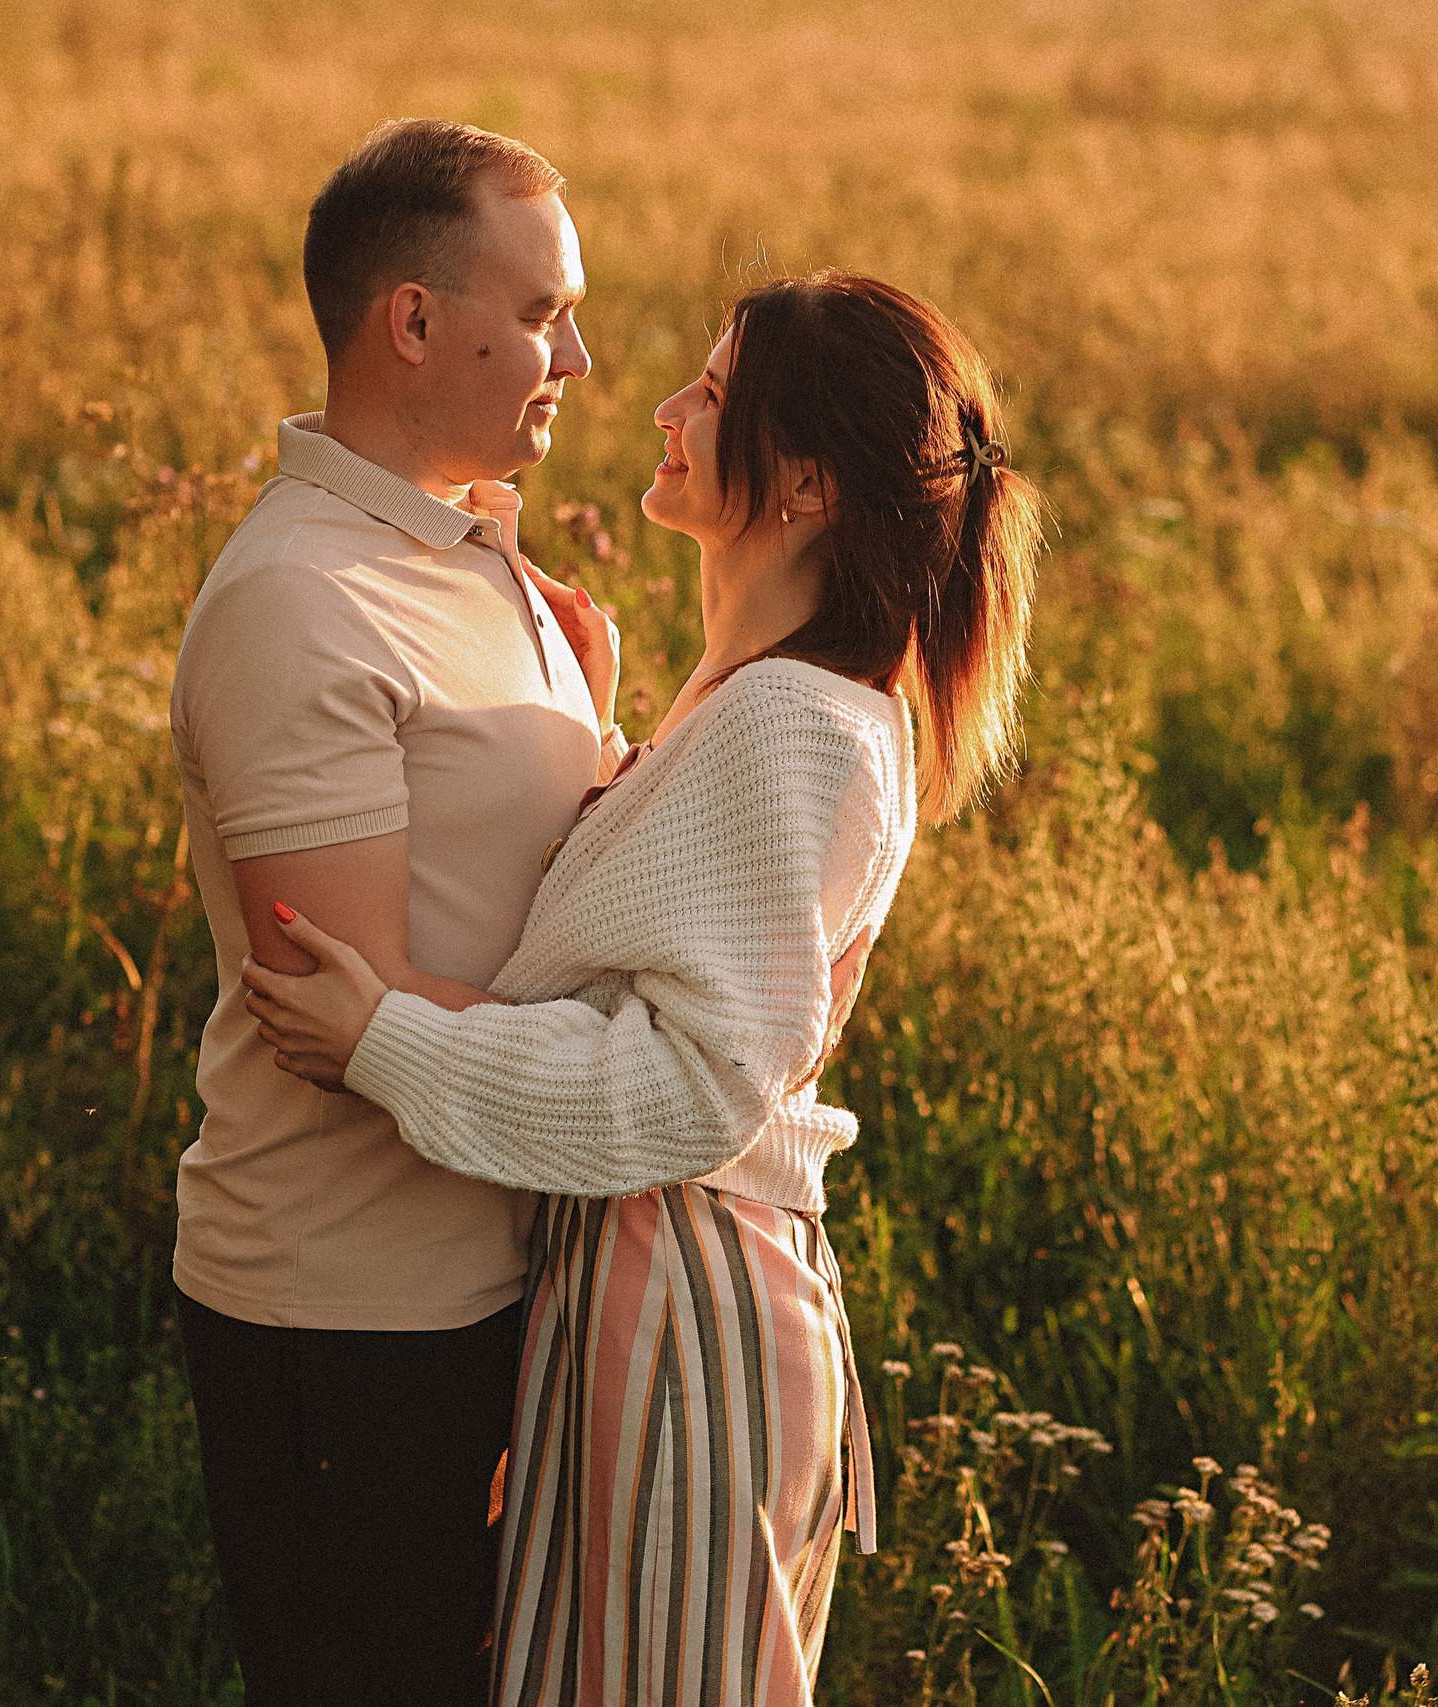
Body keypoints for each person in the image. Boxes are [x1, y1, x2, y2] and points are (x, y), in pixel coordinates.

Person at [242, 271, 1042, 1704]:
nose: (666, 408)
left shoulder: (796, 724)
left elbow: (691, 1079)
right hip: (656, 1285)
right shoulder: (761, 700)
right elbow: (672, 938)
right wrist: (601, 738)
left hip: (684, 1299)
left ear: (801, 480)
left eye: (716, 395)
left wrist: (388, 1040)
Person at [166, 118, 624, 1706]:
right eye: (547, 308)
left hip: (497, 1280)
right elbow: (341, 1019)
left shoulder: (476, 555)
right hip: (348, 1315)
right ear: (414, 321)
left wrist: (595, 719)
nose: (583, 351)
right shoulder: (305, 598)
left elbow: (506, 890)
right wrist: (655, 1070)